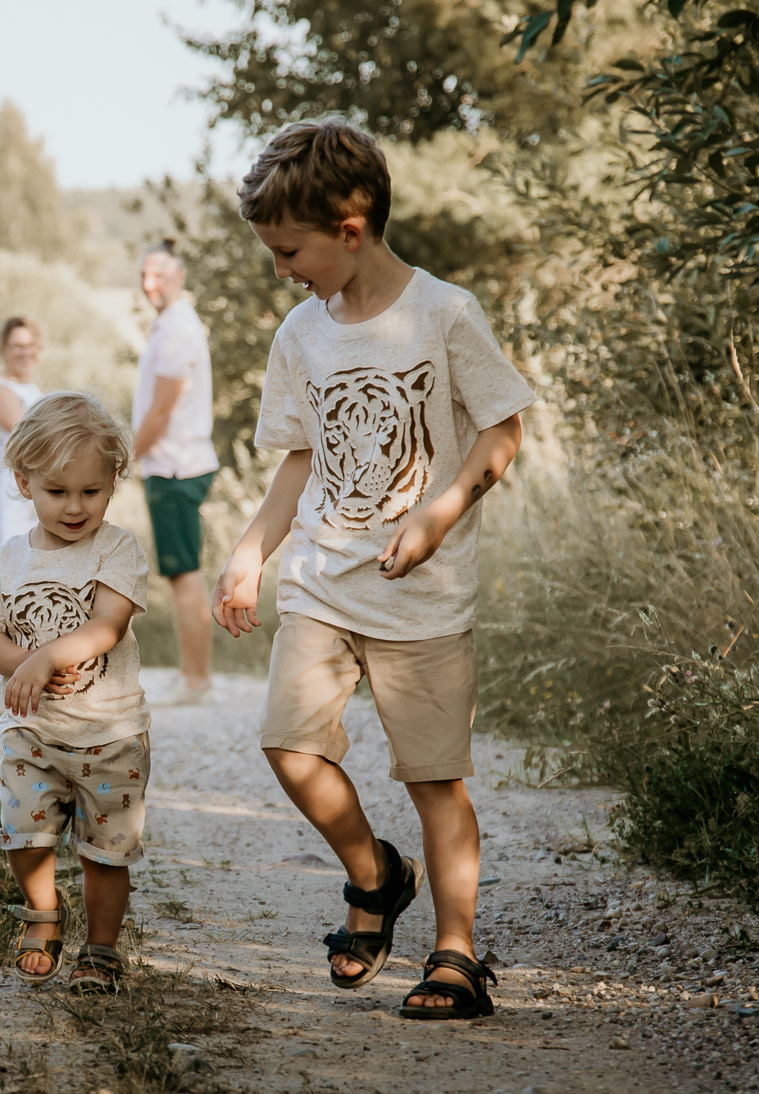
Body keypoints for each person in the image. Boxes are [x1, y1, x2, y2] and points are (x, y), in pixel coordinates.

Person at [211, 118, 533, 1021]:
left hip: (421, 598)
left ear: (349, 230)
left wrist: (439, 515)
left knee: (434, 779)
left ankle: (456, 954)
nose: (282, 270)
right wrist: (250, 551)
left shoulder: (445, 314)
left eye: (289, 251)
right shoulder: (300, 334)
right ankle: (374, 872)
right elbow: (300, 458)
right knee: (289, 744)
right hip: (322, 580)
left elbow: (503, 429)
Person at [0, 391, 151, 993]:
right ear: (24, 483)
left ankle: (101, 950)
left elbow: (107, 625)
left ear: (113, 483)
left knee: (105, 853)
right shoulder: (2, 563)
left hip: (110, 735)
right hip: (33, 732)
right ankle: (43, 913)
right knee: (24, 833)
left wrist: (46, 657)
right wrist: (25, 664)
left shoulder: (116, 549)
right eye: (57, 491)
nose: (74, 507)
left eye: (91, 491)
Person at [131, 238, 220, 702]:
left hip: (175, 467)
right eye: (144, 275)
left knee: (184, 574)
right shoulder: (170, 325)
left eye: (159, 275)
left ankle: (196, 681)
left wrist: (125, 458)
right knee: (182, 573)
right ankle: (193, 676)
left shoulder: (177, 330)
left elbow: (162, 411)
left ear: (178, 277)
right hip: (173, 464)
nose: (150, 284)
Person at [0, 316, 45, 545]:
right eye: (18, 346)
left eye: (30, 345)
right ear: (3, 349)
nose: (25, 352)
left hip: (41, 490)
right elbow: (35, 439)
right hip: (15, 492)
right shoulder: (0, 390)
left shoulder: (32, 390)